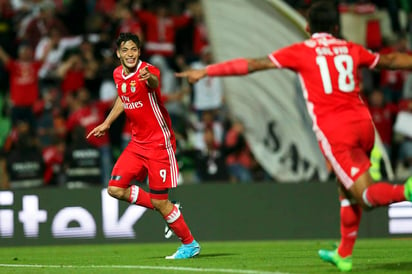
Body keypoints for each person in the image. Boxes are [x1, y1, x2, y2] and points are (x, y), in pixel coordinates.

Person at [176, 1, 412, 271]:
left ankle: (406, 189)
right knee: (345, 189)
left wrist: (207, 70)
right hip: (364, 124)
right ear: (335, 28)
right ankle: (344, 254)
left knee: (366, 196)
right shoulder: (350, 48)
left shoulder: (302, 51)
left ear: (309, 28)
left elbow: (253, 64)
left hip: (336, 131)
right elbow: (392, 60)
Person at [87, 32, 200, 259]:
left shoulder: (149, 71)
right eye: (125, 50)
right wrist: (108, 122)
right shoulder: (118, 73)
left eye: (134, 49)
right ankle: (170, 208)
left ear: (139, 52)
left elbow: (154, 82)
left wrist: (149, 78)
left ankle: (190, 244)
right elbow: (123, 96)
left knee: (160, 201)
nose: (130, 54)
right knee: (115, 189)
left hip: (159, 144)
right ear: (118, 54)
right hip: (137, 143)